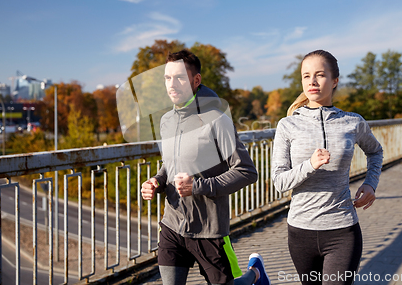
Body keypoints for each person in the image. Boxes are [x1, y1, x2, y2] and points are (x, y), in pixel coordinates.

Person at [141, 50, 270, 285]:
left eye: (179, 77)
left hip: (209, 230)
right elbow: (169, 165)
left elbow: (247, 171)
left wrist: (198, 186)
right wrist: (156, 182)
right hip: (172, 224)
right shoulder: (166, 121)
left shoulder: (217, 118)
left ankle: (255, 274)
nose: (172, 84)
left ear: (196, 80)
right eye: (167, 78)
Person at [271, 50, 383, 285]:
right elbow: (280, 183)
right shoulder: (287, 125)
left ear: (334, 81)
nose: (311, 82)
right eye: (306, 76)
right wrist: (309, 165)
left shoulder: (353, 122)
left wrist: (370, 183)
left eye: (319, 75)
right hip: (300, 232)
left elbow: (375, 151)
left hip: (342, 230)